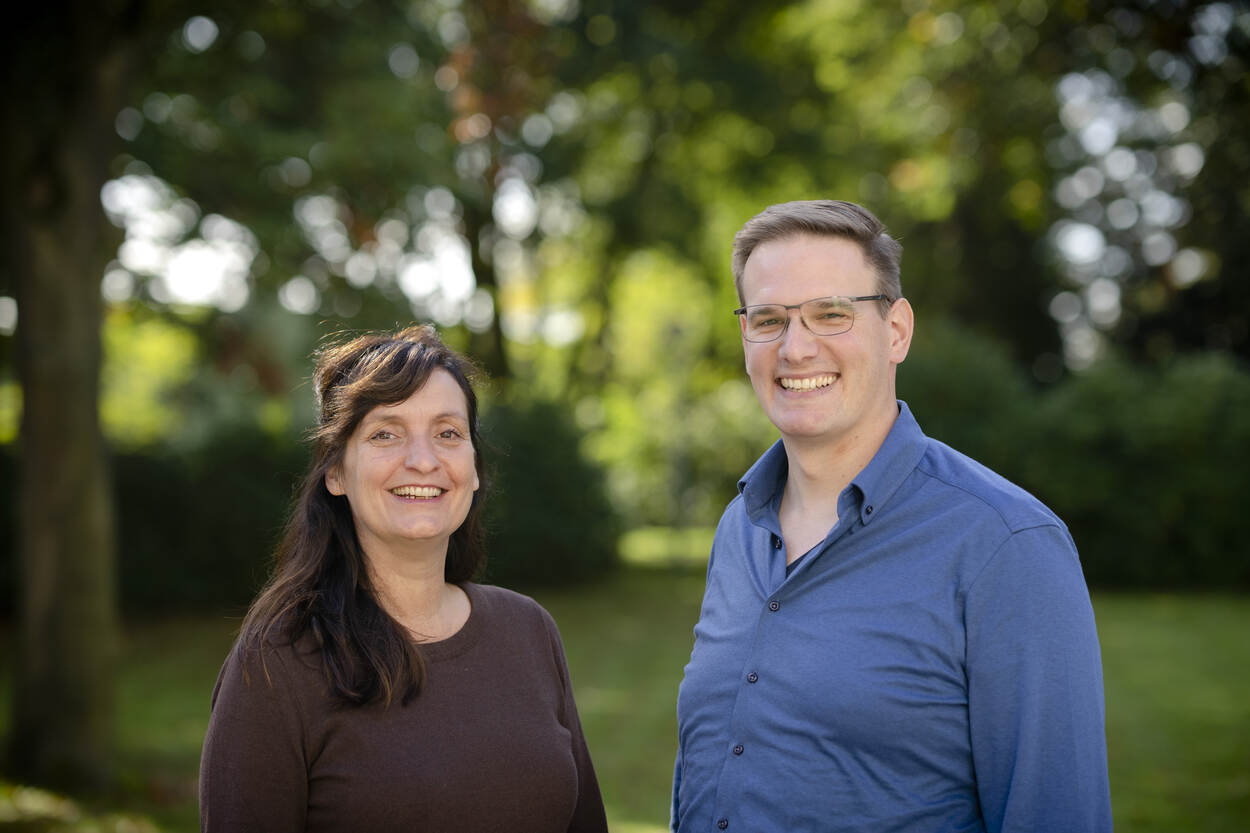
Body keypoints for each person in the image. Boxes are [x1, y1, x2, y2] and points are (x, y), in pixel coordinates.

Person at [671, 200, 1112, 832]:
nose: (796, 349)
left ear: (897, 330)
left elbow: (1056, 815)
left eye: (831, 313)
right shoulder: (739, 527)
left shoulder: (1005, 543)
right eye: (768, 319)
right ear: (746, 336)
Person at [200, 325, 608, 833]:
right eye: (385, 434)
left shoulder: (529, 630)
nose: (423, 459)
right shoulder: (277, 663)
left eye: (448, 433)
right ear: (336, 473)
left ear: (475, 468)